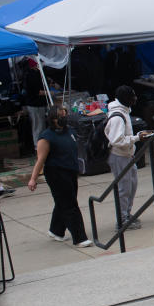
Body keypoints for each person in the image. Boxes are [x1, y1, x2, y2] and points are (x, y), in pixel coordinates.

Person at [28, 105, 91, 247]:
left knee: (63, 201)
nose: (64, 117)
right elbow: (40, 160)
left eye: (65, 114)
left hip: (70, 172)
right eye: (61, 115)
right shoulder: (46, 137)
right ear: (53, 119)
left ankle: (56, 230)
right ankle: (80, 237)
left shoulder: (69, 131)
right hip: (56, 173)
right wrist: (33, 179)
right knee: (70, 205)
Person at [104, 85, 152, 231]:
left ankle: (126, 213)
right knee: (124, 189)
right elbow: (116, 140)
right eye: (133, 96)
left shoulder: (124, 112)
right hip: (119, 156)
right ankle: (122, 219)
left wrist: (135, 138)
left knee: (132, 184)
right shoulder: (118, 117)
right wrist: (137, 138)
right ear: (126, 99)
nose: (135, 98)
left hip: (127, 155)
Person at [22, 58, 48, 150]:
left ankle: (42, 145)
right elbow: (37, 91)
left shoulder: (37, 73)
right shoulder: (29, 75)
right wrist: (48, 93)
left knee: (41, 126)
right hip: (34, 105)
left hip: (39, 104)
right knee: (38, 126)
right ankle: (38, 147)